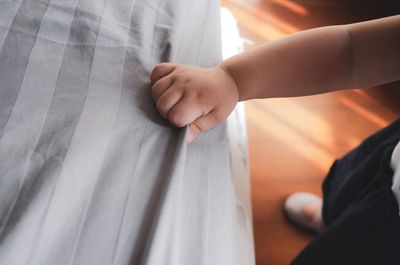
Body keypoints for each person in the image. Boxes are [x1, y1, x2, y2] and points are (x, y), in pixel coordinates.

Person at [150, 15, 400, 264]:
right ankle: (329, 217)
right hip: (390, 166)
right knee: (347, 192)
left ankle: (339, 226)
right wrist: (233, 79)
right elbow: (351, 50)